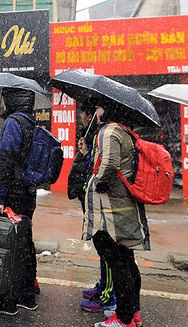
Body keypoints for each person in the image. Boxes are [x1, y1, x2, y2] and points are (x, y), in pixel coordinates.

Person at [84, 97, 148, 327]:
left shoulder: (110, 131)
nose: (96, 111)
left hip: (111, 210)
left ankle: (124, 318)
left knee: (118, 264)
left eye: (99, 107)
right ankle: (133, 314)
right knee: (127, 261)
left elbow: (109, 164)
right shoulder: (124, 131)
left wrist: (98, 181)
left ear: (108, 109)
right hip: (123, 206)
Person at [0, 87, 39, 316]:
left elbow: (2, 162)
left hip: (13, 193)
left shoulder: (14, 123)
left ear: (11, 99)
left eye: (6, 97)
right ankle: (27, 294)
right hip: (28, 192)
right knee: (25, 243)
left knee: (11, 247)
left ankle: (7, 300)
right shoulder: (30, 122)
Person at [75, 100, 117, 315]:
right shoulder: (96, 133)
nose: (83, 117)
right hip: (93, 198)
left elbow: (102, 168)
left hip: (104, 201)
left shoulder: (109, 134)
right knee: (102, 246)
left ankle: (109, 297)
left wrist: (87, 155)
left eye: (86, 113)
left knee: (107, 248)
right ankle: (104, 286)